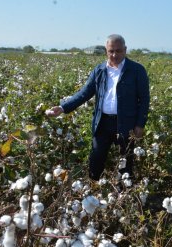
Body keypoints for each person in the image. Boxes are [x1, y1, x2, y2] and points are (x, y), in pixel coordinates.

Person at [46, 34, 150, 181]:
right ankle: (94, 190)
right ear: (106, 51)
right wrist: (63, 108)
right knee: (96, 159)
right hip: (103, 122)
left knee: (126, 161)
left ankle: (124, 195)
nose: (114, 55)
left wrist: (140, 124)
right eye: (111, 51)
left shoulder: (137, 70)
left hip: (126, 123)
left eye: (118, 51)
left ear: (125, 50)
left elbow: (144, 99)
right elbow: (84, 93)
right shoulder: (100, 70)